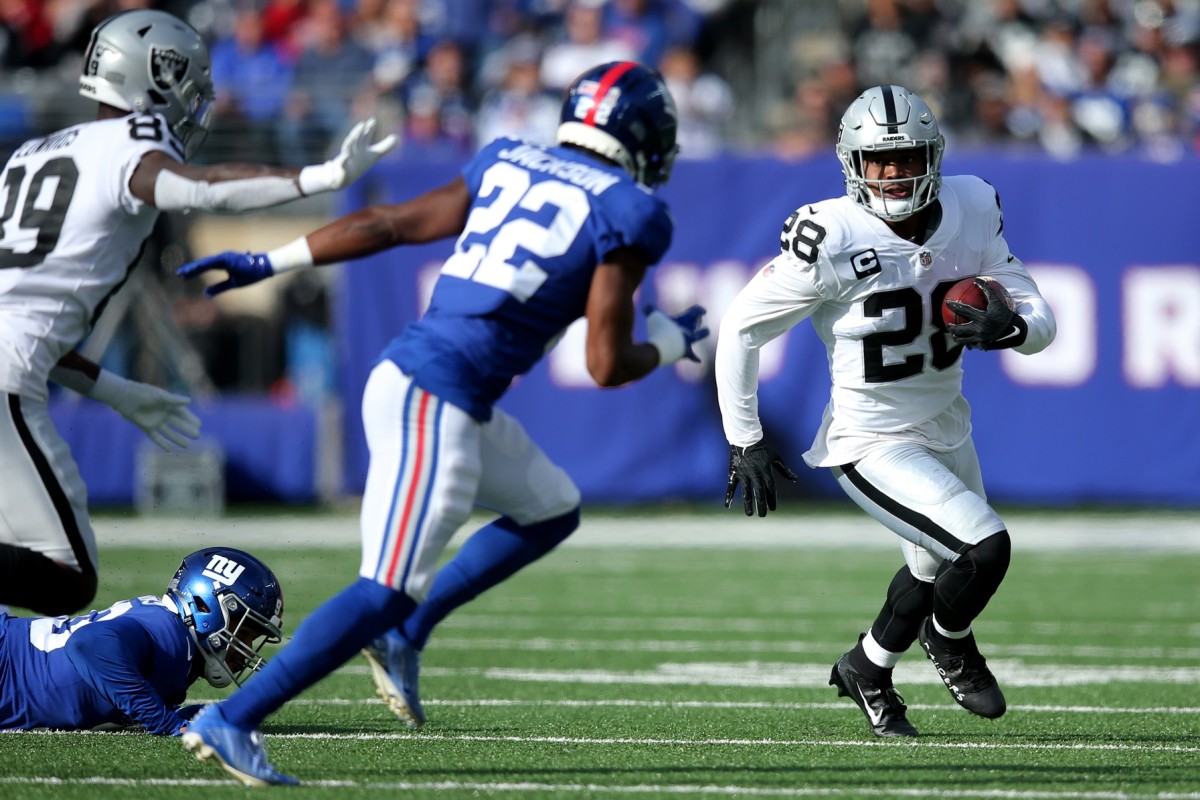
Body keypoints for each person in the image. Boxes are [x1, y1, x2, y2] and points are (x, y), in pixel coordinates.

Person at [175, 60, 707, 786]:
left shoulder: (507, 157)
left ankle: (408, 633)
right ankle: (233, 718)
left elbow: (392, 222)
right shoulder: (631, 210)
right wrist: (674, 342)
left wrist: (272, 258)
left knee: (550, 507)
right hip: (437, 395)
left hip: (424, 381)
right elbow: (608, 363)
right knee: (383, 586)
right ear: (642, 134)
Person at [0, 9, 393, 617]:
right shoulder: (130, 144)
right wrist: (320, 176)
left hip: (15, 359)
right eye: (182, 78)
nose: (193, 97)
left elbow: (24, 314)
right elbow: (200, 188)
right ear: (146, 75)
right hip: (9, 377)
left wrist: (117, 391)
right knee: (65, 576)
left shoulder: (29, 154)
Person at [716, 85, 1056, 738]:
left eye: (906, 158)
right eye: (879, 160)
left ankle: (866, 669)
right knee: (982, 548)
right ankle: (950, 641)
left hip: (947, 424)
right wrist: (745, 438)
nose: (895, 173)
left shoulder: (972, 203)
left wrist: (1012, 331)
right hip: (870, 440)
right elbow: (741, 329)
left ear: (934, 156)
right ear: (853, 165)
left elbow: (1035, 309)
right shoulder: (830, 232)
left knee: (931, 568)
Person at [0, 547, 284, 736]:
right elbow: (88, 644)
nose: (245, 648)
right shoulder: (168, 632)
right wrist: (167, 723)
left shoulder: (177, 648)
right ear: (207, 608)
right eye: (244, 633)